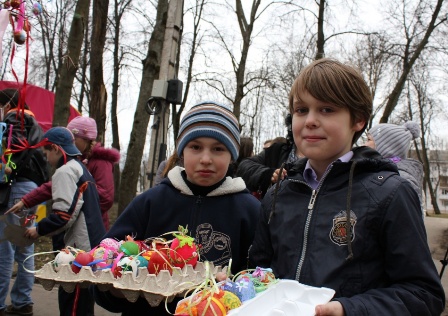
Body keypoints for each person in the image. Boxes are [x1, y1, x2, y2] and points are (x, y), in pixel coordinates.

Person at [248, 58, 445, 316]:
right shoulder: (278, 195)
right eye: (301, 110)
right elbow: (259, 274)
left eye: (327, 109)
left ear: (358, 120)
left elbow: (423, 294)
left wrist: (348, 309)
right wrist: (233, 287)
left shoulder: (390, 194)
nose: (310, 120)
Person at [92, 101, 260, 315]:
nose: (206, 159)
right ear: (182, 151)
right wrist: (117, 290)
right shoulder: (150, 203)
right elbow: (104, 268)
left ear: (232, 155)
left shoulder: (249, 211)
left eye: (218, 149)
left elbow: (261, 281)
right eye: (195, 147)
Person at [7, 127, 105, 316]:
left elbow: (64, 215)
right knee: (83, 304)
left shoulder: (65, 172)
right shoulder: (80, 168)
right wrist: (26, 201)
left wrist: (38, 230)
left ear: (55, 149)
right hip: (90, 248)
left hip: (77, 252)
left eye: (46, 152)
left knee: (73, 305)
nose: (45, 158)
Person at [8, 117, 120, 233]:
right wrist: (27, 200)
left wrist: (74, 205)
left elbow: (105, 198)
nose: (70, 142)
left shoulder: (101, 162)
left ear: (86, 139)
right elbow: (56, 185)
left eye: (74, 138)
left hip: (90, 227)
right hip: (73, 225)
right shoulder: (76, 162)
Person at [0, 89, 49, 316]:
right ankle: (22, 302)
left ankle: (1, 302)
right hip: (34, 193)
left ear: (6, 104)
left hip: (18, 191)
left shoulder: (14, 118)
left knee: (5, 248)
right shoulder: (34, 123)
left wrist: (10, 168)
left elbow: (15, 150)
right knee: (25, 248)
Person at [365, 121, 425, 217]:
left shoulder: (402, 180)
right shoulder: (378, 173)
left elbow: (409, 225)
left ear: (385, 146)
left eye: (368, 140)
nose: (365, 145)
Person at [236, 114, 301, 199]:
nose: (310, 121)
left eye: (324, 110)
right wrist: (268, 174)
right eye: (302, 111)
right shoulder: (277, 151)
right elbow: (244, 165)